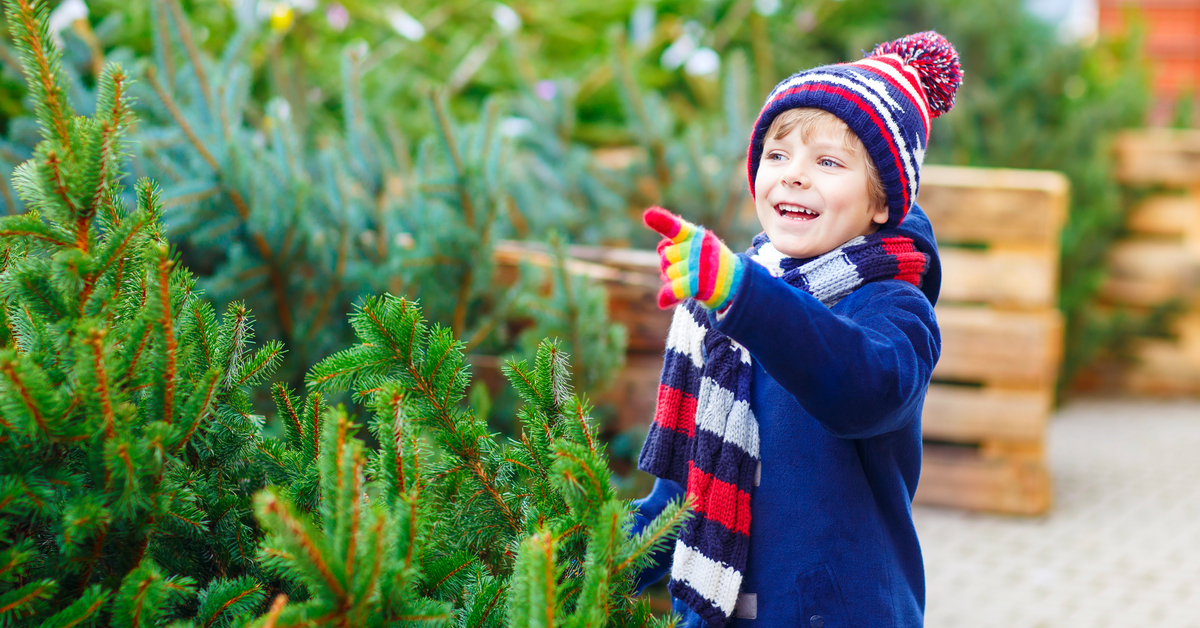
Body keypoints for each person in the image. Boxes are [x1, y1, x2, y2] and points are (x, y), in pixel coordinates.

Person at [629, 31, 962, 627]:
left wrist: (746, 297)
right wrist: (568, 563)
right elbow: (682, 503)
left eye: (828, 162)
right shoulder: (725, 311)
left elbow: (861, 388)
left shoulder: (893, 307)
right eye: (777, 156)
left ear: (883, 202)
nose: (793, 176)